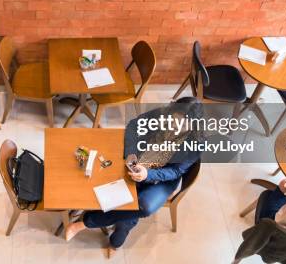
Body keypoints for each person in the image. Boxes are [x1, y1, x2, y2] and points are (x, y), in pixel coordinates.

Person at [65, 97, 203, 257]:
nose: (174, 126)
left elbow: (176, 171)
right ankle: (116, 242)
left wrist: (147, 174)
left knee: (144, 206)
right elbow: (133, 126)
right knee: (124, 204)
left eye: (182, 124)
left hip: (163, 176)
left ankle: (85, 222)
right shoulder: (162, 114)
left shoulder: (197, 143)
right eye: (173, 119)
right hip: (140, 159)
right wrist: (131, 154)